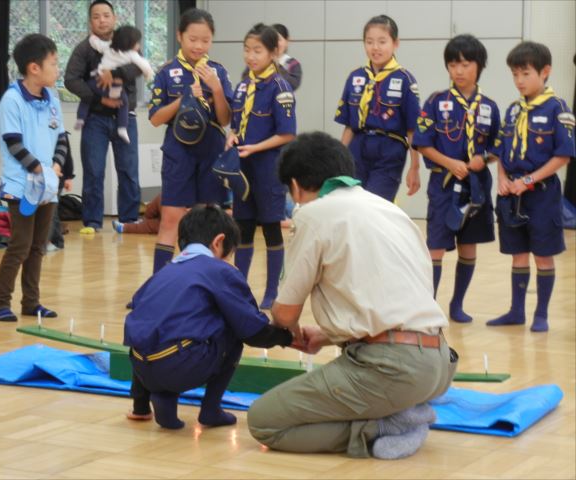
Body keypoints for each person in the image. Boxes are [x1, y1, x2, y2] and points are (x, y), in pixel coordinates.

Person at [247, 132, 457, 459]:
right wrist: (329, 335)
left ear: (296, 186)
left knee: (264, 421)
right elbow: (399, 307)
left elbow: (285, 315)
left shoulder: (311, 214)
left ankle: (383, 427)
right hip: (439, 363)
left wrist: (286, 326)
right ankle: (399, 411)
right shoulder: (390, 210)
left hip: (390, 370)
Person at [124, 205, 294, 429]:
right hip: (180, 368)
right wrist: (287, 338)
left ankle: (143, 406)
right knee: (234, 328)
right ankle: (210, 410)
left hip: (144, 369)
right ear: (218, 241)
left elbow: (137, 309)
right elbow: (253, 331)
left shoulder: (164, 271)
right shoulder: (219, 271)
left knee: (152, 325)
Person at [487, 41, 575, 332]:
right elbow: (500, 151)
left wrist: (529, 180)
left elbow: (563, 155)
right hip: (512, 195)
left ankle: (541, 315)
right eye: (515, 74)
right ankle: (516, 311)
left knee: (543, 252)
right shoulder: (513, 111)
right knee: (518, 252)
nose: (519, 81)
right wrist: (502, 178)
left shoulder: (557, 109)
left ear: (545, 71)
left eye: (525, 73)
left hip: (541, 194)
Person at [412, 35, 500, 323]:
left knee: (469, 244)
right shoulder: (436, 102)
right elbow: (423, 143)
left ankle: (457, 305)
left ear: (479, 66)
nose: (458, 71)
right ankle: (428, 307)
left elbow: (498, 147)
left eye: (465, 64)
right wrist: (450, 162)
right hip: (444, 183)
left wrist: (482, 159)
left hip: (475, 185)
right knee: (435, 245)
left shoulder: (489, 106)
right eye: (453, 64)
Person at [0, 34, 68, 322]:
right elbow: (13, 143)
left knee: (38, 246)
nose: (57, 69)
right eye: (53, 63)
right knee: (20, 245)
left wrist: (57, 167)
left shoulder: (52, 98)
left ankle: (31, 302)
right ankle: (0, 303)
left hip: (48, 186)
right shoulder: (11, 100)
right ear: (34, 68)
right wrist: (40, 170)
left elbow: (61, 138)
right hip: (22, 187)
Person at [148, 8, 233, 274]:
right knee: (171, 218)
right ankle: (158, 284)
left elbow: (225, 118)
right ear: (179, 36)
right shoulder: (166, 72)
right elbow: (155, 118)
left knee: (211, 219)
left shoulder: (218, 71)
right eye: (192, 39)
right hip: (178, 151)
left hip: (211, 151)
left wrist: (216, 88)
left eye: (205, 40)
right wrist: (184, 97)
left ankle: (211, 280)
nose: (198, 45)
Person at [226, 23, 296, 310]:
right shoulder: (243, 86)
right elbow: (235, 122)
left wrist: (256, 147)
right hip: (244, 168)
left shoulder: (280, 87)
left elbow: (287, 133)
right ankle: (240, 288)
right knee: (242, 228)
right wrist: (231, 136)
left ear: (273, 52)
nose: (251, 56)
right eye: (247, 49)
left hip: (268, 166)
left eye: (258, 51)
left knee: (270, 227)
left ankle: (271, 291)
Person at [64, 0, 143, 234]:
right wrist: (99, 98)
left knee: (129, 170)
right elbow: (70, 79)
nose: (102, 20)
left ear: (114, 19)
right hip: (94, 118)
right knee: (94, 171)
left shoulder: (128, 43)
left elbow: (138, 67)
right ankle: (92, 222)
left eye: (106, 15)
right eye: (96, 16)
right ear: (90, 22)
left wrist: (114, 74)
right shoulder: (83, 49)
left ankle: (129, 220)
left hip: (125, 116)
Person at [334, 15, 420, 202]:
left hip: (390, 148)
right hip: (357, 147)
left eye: (382, 41)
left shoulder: (405, 79)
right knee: (352, 204)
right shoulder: (355, 76)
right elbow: (349, 125)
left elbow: (412, 129)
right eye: (369, 42)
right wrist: (339, 158)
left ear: (395, 43)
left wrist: (415, 168)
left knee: (374, 205)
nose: (375, 47)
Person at [75, 25, 154, 144]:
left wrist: (92, 37)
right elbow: (145, 66)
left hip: (96, 82)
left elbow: (96, 43)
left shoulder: (108, 47)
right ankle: (122, 128)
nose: (139, 46)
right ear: (131, 44)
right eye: (138, 43)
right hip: (113, 87)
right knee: (124, 102)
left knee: (87, 96)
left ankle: (81, 118)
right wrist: (149, 75)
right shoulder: (132, 54)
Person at [47, 133, 75, 251]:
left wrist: (68, 177)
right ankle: (55, 241)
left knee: (51, 210)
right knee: (50, 211)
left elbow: (67, 156)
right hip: (42, 176)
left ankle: (56, 241)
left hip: (57, 177)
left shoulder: (59, 132)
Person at [272, 23, 302, 91]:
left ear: (287, 40)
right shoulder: (261, 61)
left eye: (278, 39)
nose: (275, 43)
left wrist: (277, 66)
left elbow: (293, 84)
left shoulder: (293, 64)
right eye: (272, 40)